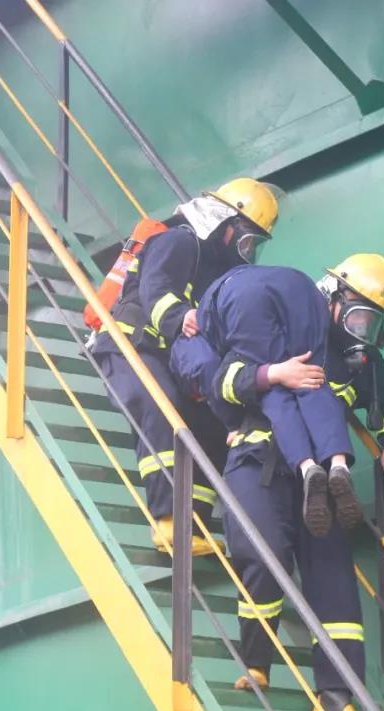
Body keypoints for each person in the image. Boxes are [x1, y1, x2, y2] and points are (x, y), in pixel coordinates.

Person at [175, 254, 384, 711]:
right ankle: (257, 661)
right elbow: (221, 381)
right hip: (258, 462)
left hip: (321, 481)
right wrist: (272, 374)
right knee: (262, 551)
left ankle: (339, 696)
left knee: (334, 579)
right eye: (358, 317)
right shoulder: (276, 327)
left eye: (372, 322)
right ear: (333, 298)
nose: (362, 331)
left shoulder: (361, 363)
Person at [90, 177, 278, 556]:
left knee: (210, 423)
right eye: (247, 239)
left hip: (165, 355)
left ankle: (194, 524)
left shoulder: (213, 270)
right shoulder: (177, 241)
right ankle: (168, 522)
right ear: (225, 224)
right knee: (161, 410)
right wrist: (180, 316)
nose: (248, 251)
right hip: (128, 344)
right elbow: (155, 289)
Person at [170, 264, 363, 538]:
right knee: (313, 377)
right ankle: (339, 464)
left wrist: (233, 423)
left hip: (239, 296)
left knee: (275, 387)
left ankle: (307, 467)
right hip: (302, 286)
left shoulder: (192, 340)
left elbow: (214, 380)